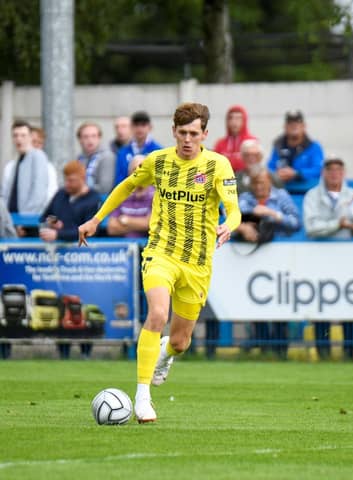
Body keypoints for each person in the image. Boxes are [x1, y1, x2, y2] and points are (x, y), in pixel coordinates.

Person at [78, 102, 240, 423]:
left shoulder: (218, 165)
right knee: (157, 313)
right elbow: (127, 186)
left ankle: (166, 352)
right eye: (182, 133)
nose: (188, 139)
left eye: (194, 133)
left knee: (181, 342)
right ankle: (142, 397)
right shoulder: (158, 161)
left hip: (196, 263)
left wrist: (229, 225)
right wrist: (97, 219)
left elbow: (233, 208)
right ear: (174, 132)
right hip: (160, 252)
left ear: (205, 134)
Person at [304, 156, 353, 360]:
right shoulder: (312, 196)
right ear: (324, 173)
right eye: (330, 170)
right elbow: (311, 227)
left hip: (348, 259)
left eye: (338, 170)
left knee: (350, 304)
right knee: (320, 305)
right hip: (320, 259)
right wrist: (337, 225)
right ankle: (323, 353)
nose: (334, 174)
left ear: (344, 173)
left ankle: (351, 352)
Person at [236, 165, 301, 359]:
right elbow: (233, 217)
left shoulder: (281, 197)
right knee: (257, 302)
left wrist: (273, 215)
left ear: (270, 182)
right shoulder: (246, 199)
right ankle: (263, 348)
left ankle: (281, 350)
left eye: (263, 182)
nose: (260, 187)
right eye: (256, 183)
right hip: (254, 259)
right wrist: (244, 225)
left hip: (279, 257)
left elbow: (296, 223)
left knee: (280, 302)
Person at [40, 160, 102, 359]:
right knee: (62, 302)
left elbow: (90, 230)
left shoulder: (92, 199)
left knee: (81, 304)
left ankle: (86, 350)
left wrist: (60, 235)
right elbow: (45, 216)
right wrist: (53, 222)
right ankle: (63, 349)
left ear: (82, 178)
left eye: (72, 180)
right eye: (66, 179)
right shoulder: (60, 195)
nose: (67, 183)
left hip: (83, 260)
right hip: (61, 261)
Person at [1, 120, 50, 217]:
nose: (19, 139)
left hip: (28, 221)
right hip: (12, 218)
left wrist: (25, 218)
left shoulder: (38, 156)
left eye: (23, 135)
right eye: (15, 135)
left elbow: (39, 193)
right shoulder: (17, 161)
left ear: (30, 137)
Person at [267, 110, 324, 185]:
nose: (294, 126)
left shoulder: (314, 147)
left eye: (297, 123)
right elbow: (270, 168)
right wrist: (277, 174)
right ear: (285, 127)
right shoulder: (278, 146)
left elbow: (319, 170)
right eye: (290, 123)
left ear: (304, 126)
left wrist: (296, 174)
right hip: (282, 190)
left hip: (306, 191)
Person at [106, 155, 154, 238]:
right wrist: (140, 225)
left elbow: (151, 225)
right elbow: (111, 228)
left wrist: (126, 220)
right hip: (123, 247)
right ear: (129, 174)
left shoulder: (156, 195)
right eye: (134, 169)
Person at [113, 111, 163, 185]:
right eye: (136, 125)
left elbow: (160, 179)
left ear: (150, 127)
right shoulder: (122, 152)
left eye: (143, 125)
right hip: (128, 192)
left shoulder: (158, 151)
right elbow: (119, 180)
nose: (139, 129)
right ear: (131, 127)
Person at [213, 105, 257, 173]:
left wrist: (228, 161)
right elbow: (215, 165)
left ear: (244, 120)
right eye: (231, 118)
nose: (234, 122)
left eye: (238, 118)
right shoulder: (220, 144)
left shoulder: (252, 142)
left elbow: (252, 166)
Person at [76, 122, 116, 195]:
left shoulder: (107, 156)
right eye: (85, 137)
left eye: (93, 136)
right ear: (80, 140)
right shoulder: (80, 158)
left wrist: (79, 189)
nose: (90, 140)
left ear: (99, 138)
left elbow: (105, 188)